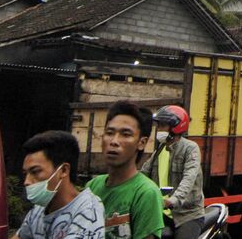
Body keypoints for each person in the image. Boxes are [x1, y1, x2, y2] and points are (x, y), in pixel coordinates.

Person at [86, 100, 165, 239]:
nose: (114, 141)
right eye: (110, 132)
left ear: (142, 143)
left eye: (126, 134)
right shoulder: (92, 186)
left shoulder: (146, 193)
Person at [14, 131, 105, 239]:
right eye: (26, 173)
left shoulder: (88, 211)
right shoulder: (38, 209)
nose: (26, 181)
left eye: (35, 172)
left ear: (63, 170)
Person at [142, 106, 204, 239]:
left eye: (162, 125)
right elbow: (143, 175)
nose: (158, 129)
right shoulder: (159, 150)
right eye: (158, 125)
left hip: (187, 214)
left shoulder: (190, 148)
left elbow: (189, 177)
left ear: (175, 127)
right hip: (161, 213)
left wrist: (173, 200)